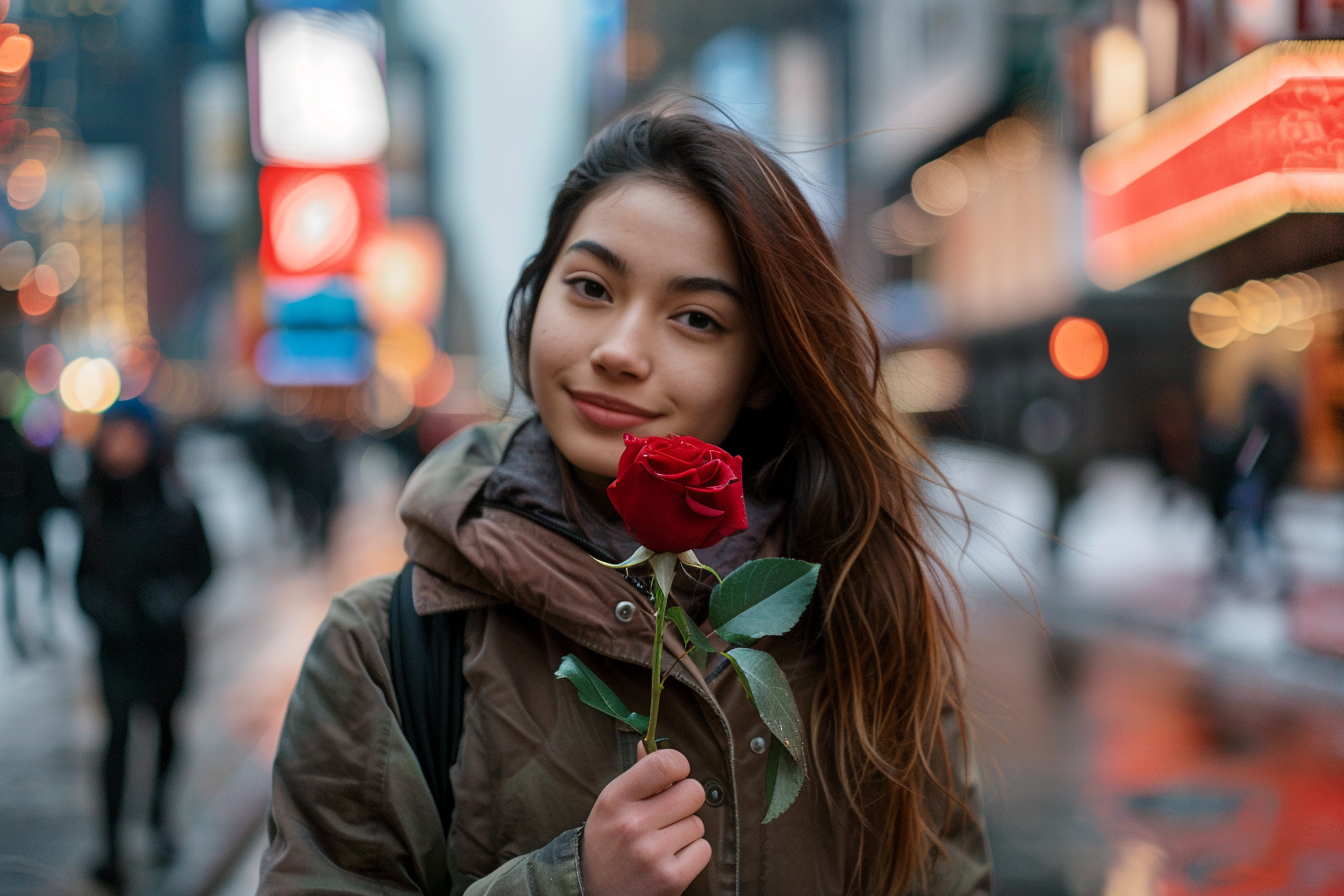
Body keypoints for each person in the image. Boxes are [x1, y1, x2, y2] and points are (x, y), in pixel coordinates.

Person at [258, 109, 990, 896]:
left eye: (697, 319)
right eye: (590, 288)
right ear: (537, 298)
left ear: (766, 369)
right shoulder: (388, 647)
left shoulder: (864, 611)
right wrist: (573, 886)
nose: (619, 350)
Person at [76, 400, 213, 889]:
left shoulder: (177, 504)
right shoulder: (93, 506)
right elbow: (81, 579)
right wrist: (101, 611)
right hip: (116, 646)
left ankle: (157, 818)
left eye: (131, 435)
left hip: (165, 644)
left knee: (164, 731)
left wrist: (174, 597)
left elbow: (204, 567)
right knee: (116, 738)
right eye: (115, 435)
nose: (122, 446)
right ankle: (111, 843)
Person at [0, 416, 66, 659]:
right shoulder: (27, 453)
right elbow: (49, 493)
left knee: (12, 587)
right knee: (37, 583)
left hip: (12, 531)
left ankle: (19, 629)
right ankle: (43, 626)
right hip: (29, 529)